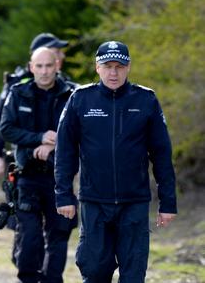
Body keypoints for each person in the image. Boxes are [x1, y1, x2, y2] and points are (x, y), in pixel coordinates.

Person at [55, 40, 177, 283]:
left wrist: (168, 202)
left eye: (119, 66)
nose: (113, 72)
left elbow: (162, 154)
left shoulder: (146, 100)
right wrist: (63, 195)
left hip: (134, 203)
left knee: (133, 275)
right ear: (97, 67)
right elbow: (64, 152)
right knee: (94, 272)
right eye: (107, 66)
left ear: (128, 67)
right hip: (94, 202)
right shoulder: (80, 99)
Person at [0, 47, 77, 283]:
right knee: (30, 234)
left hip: (60, 177)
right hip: (28, 176)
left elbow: (82, 133)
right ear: (31, 67)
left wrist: (54, 146)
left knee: (59, 234)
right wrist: (39, 138)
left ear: (57, 66)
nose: (44, 71)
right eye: (39, 66)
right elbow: (6, 129)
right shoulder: (18, 92)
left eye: (49, 66)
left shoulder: (73, 94)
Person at [0, 33, 69, 177]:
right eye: (57, 51)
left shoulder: (64, 84)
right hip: (24, 159)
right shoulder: (18, 85)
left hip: (56, 162)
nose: (61, 55)